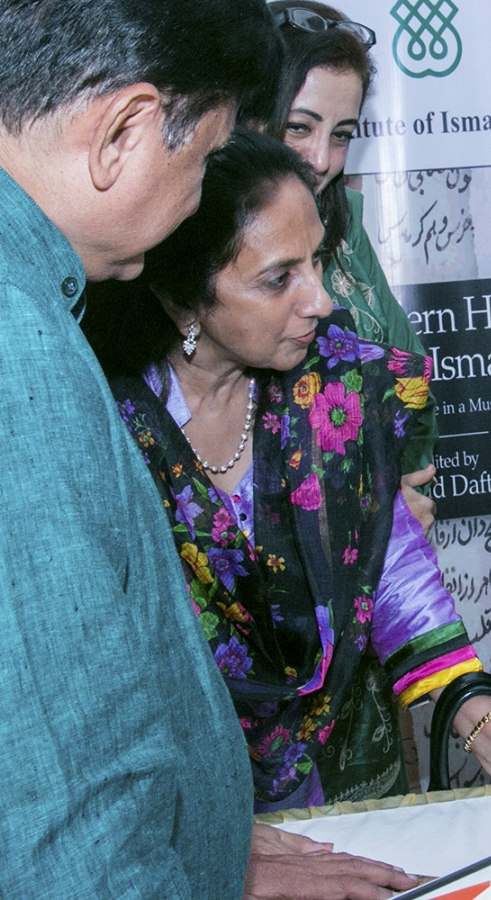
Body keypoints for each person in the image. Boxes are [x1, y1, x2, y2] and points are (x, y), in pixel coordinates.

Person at [91, 131, 491, 815]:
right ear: (184, 298)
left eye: (317, 260)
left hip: (321, 786)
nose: (319, 300)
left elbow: (392, 571)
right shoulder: (100, 421)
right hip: (163, 807)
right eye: (280, 278)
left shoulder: (333, 386)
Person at [0, 1, 280, 896]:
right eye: (201, 161)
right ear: (121, 131)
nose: (198, 198)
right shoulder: (18, 348)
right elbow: (73, 821)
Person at [266, 1, 440, 526]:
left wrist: (407, 469)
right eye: (300, 127)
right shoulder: (206, 255)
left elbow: (409, 364)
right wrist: (375, 509)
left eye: (341, 135)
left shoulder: (343, 229)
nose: (321, 159)